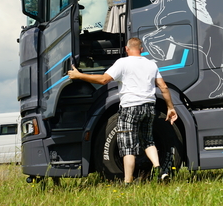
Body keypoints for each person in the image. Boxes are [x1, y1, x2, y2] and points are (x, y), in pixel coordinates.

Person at [68, 37, 178, 184]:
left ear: (126, 49)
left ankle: (127, 182)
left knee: (128, 146)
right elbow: (163, 87)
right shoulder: (151, 64)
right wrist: (170, 107)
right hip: (149, 106)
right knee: (148, 140)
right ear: (142, 50)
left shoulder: (122, 63)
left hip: (130, 107)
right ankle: (159, 169)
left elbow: (103, 80)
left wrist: (79, 75)